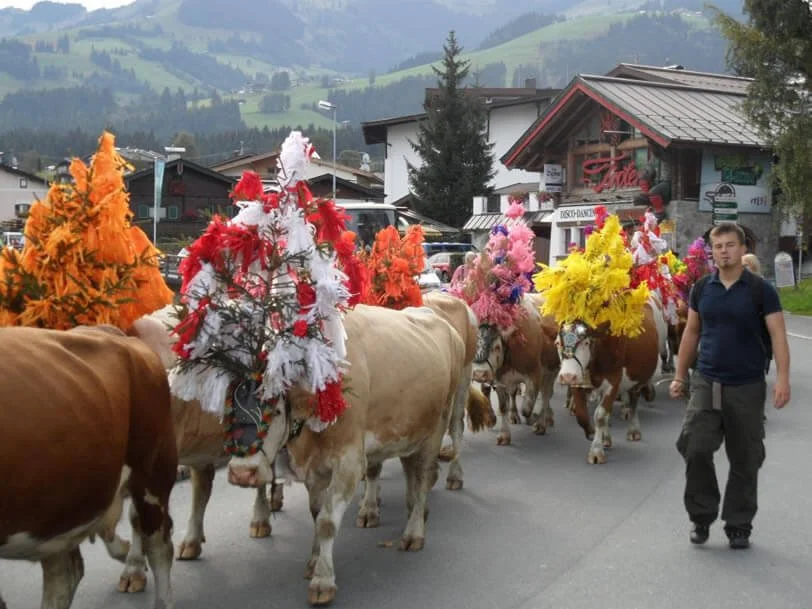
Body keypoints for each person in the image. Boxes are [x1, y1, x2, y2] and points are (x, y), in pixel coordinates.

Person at [669, 222, 790, 550]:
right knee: (694, 447)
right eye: (718, 246)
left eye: (730, 245)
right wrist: (680, 375)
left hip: (747, 385)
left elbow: (778, 334)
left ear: (742, 248)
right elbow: (691, 332)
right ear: (712, 250)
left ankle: (738, 524)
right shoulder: (701, 288)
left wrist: (782, 379)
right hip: (707, 380)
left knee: (746, 457)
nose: (723, 251)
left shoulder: (760, 290)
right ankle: (701, 516)